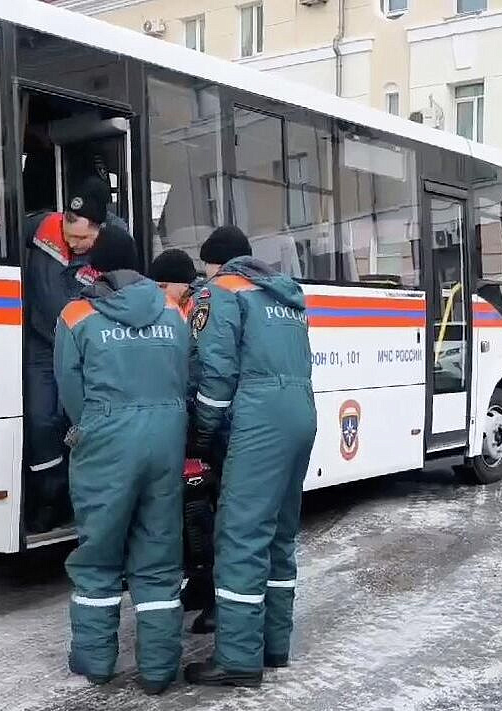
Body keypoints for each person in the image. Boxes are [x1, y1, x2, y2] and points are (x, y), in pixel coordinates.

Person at [53, 227, 190, 695]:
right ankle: (158, 670)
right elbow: (183, 373)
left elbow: (69, 387)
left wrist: (90, 427)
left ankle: (95, 663)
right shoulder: (172, 311)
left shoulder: (77, 314)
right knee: (158, 554)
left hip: (107, 439)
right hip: (167, 437)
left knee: (99, 554)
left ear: (96, 268)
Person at [182, 226, 317, 687]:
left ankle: (238, 658)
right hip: (301, 410)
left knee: (240, 535)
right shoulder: (287, 294)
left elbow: (217, 374)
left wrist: (202, 431)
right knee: (279, 533)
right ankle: (274, 644)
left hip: (259, 414)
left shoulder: (221, 291)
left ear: (214, 262)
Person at [23, 176, 131, 534]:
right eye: (70, 236)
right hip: (43, 343)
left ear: (101, 230)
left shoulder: (116, 243)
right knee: (41, 420)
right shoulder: (40, 228)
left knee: (79, 417)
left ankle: (77, 496)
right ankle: (48, 497)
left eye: (82, 239)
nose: (73, 244)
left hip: (86, 344)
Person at [150, 248, 218, 634]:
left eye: (164, 285)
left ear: (182, 284)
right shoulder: (174, 310)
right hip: (187, 419)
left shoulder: (198, 310)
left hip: (208, 422)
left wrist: (198, 430)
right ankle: (199, 583)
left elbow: (201, 370)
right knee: (189, 506)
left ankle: (215, 594)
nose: (159, 292)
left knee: (203, 512)